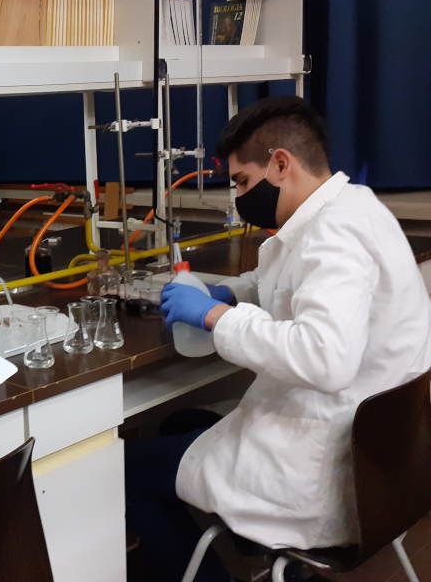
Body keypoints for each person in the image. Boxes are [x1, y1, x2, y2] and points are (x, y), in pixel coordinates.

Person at [126, 96, 431, 580]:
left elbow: (325, 357)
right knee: (180, 421)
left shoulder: (334, 233)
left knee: (124, 473)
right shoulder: (354, 206)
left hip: (323, 469)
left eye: (242, 181)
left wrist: (215, 316)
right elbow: (298, 284)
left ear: (281, 164)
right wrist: (233, 291)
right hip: (384, 463)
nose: (238, 196)